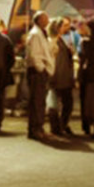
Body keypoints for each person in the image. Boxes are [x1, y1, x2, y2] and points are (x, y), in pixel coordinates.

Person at [25, 11, 54, 140]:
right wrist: (41, 69)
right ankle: (35, 129)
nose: (48, 21)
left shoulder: (41, 33)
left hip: (40, 71)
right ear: (39, 20)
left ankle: (39, 127)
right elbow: (34, 54)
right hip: (37, 72)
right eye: (45, 18)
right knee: (37, 101)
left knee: (40, 101)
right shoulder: (35, 34)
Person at [48, 17, 76, 136]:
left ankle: (60, 125)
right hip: (58, 76)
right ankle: (58, 126)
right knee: (56, 103)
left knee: (64, 103)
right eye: (64, 25)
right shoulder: (53, 41)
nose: (67, 27)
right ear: (58, 28)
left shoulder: (61, 39)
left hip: (63, 76)